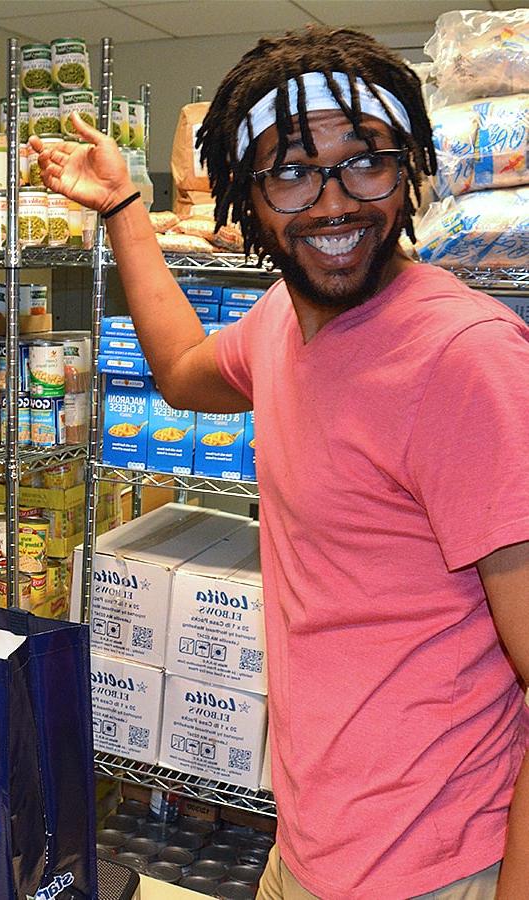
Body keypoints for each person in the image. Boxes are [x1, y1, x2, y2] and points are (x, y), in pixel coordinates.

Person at [30, 25, 529, 900]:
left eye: (363, 161)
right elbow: (184, 374)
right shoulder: (279, 322)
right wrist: (122, 210)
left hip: (438, 866)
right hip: (309, 846)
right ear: (248, 199)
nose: (333, 203)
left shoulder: (466, 360)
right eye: (292, 172)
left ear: (407, 169)